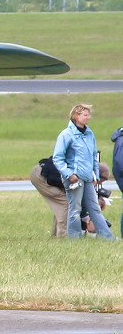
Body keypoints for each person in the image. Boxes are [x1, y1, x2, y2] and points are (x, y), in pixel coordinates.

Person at [52, 103, 115, 240]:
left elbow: (93, 156)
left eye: (88, 115)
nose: (88, 117)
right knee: (75, 209)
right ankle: (74, 237)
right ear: (76, 116)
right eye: (85, 115)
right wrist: (69, 174)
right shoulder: (66, 135)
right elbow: (58, 158)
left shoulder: (89, 133)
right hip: (74, 178)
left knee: (94, 207)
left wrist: (95, 175)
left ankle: (107, 236)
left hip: (87, 177)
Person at [30, 157, 67, 238]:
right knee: (66, 203)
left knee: (63, 203)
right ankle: (62, 236)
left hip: (41, 171)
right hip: (42, 175)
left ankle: (56, 234)